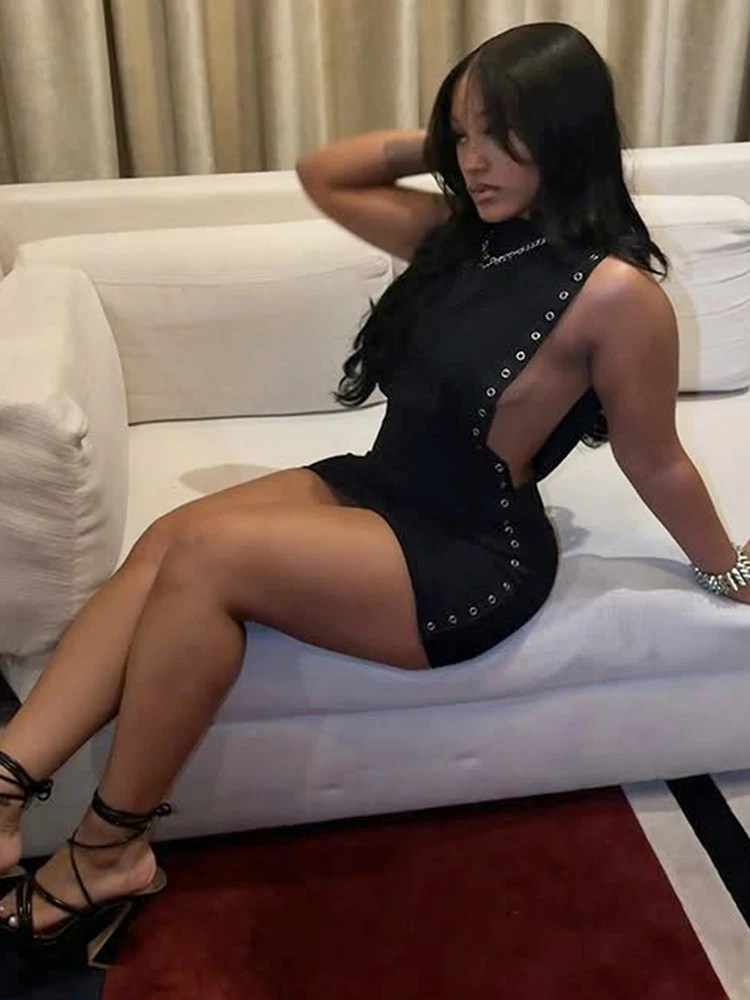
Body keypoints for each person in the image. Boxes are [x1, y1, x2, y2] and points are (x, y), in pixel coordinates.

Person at [1, 20, 748, 966]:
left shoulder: (617, 297)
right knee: (168, 537)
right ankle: (7, 782)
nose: (472, 161)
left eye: (500, 134)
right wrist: (445, 134)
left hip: (470, 554)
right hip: (380, 486)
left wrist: (730, 572)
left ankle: (111, 850)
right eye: (462, 136)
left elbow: (657, 459)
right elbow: (326, 173)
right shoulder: (459, 238)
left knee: (210, 557)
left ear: (565, 130)